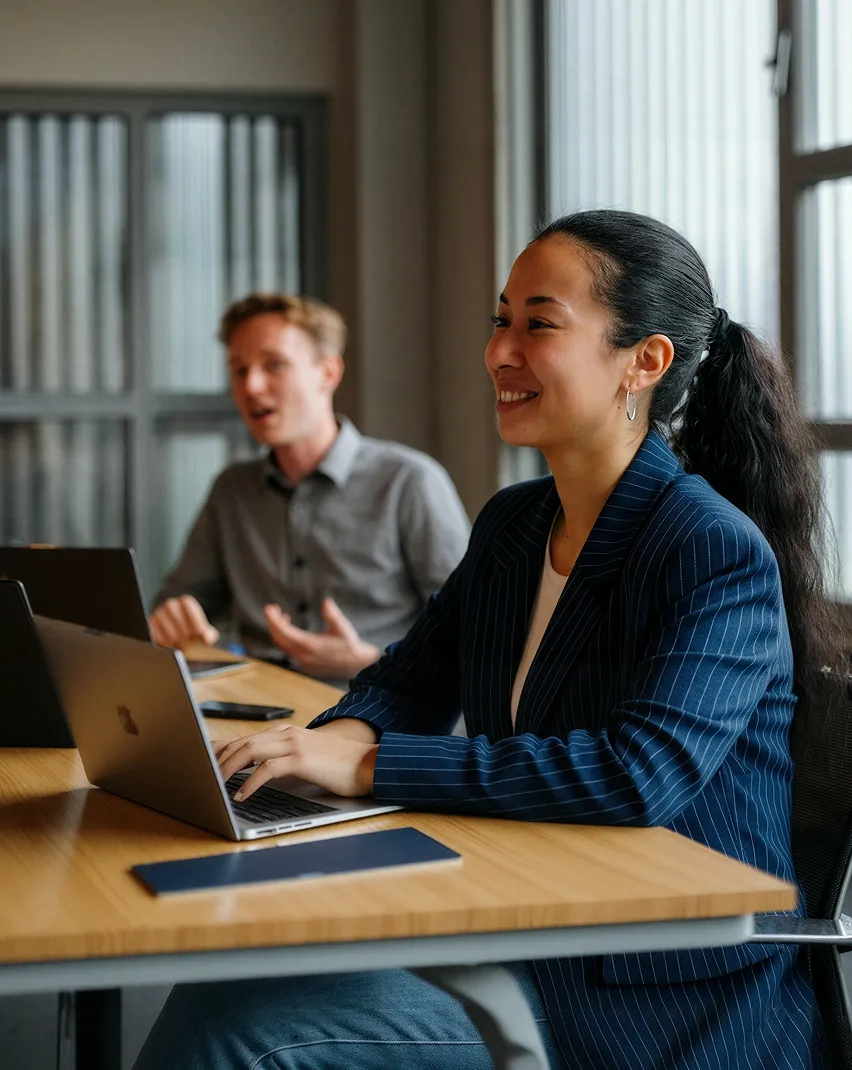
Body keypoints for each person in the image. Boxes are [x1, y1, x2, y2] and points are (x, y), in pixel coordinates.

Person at [134, 210, 840, 1069]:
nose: (500, 350)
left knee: (239, 1030)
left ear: (644, 361)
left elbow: (636, 773)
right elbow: (409, 680)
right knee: (226, 982)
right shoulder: (515, 523)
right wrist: (319, 745)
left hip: (659, 992)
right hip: (530, 915)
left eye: (538, 323)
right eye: (500, 319)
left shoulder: (708, 547)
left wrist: (360, 767)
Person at [150, 294, 471, 686]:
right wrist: (173, 617)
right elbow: (176, 604)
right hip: (255, 709)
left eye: (274, 365)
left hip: (376, 710)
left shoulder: (409, 481)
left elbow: (471, 636)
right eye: (239, 369)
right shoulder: (231, 490)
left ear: (328, 373)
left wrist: (370, 661)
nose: (251, 386)